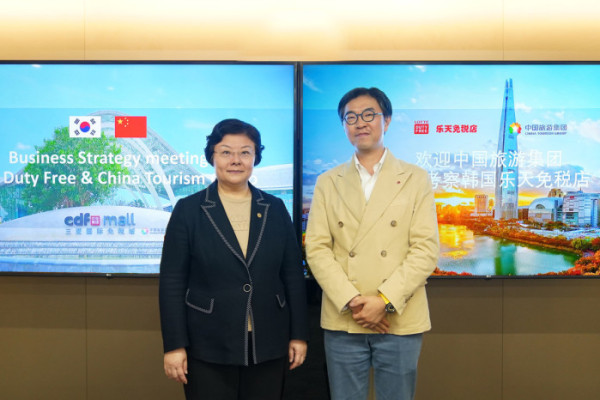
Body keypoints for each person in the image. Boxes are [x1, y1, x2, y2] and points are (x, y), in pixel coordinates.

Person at [159, 118, 309, 400]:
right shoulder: (189, 210)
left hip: (269, 340)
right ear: (212, 157)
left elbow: (292, 275)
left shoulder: (275, 208)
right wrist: (175, 345)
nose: (236, 160)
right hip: (207, 343)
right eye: (226, 152)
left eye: (245, 152)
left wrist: (298, 334)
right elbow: (172, 282)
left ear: (255, 158)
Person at [305, 87, 439, 400]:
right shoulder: (328, 181)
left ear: (386, 121)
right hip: (345, 316)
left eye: (369, 115)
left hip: (398, 317)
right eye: (350, 117)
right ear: (344, 126)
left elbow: (425, 249)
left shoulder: (415, 177)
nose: (360, 123)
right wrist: (354, 301)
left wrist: (383, 301)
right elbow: (317, 248)